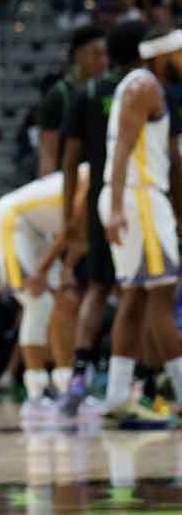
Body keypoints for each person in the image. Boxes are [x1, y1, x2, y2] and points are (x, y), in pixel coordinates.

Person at [94, 27, 182, 426]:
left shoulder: (141, 86)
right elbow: (123, 151)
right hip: (137, 197)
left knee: (135, 299)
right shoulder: (143, 86)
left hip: (134, 197)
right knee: (162, 295)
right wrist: (115, 208)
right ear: (160, 53)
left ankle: (116, 396)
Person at [61, 20, 143, 416]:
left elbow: (68, 163)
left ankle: (79, 373)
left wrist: (68, 218)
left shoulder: (86, 93)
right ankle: (129, 379)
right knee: (136, 291)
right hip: (136, 198)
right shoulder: (145, 90)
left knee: (97, 287)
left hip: (98, 198)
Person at [0, 168, 85, 416]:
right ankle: (36, 393)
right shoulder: (93, 177)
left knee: (66, 302)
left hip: (39, 232)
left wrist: (67, 270)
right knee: (37, 302)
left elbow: (80, 240)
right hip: (9, 221)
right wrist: (42, 271)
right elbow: (70, 229)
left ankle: (65, 386)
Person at [37, 27, 109, 177]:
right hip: (71, 180)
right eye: (96, 54)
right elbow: (48, 155)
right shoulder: (58, 96)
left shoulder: (110, 90)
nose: (103, 61)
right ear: (79, 55)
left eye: (105, 54)